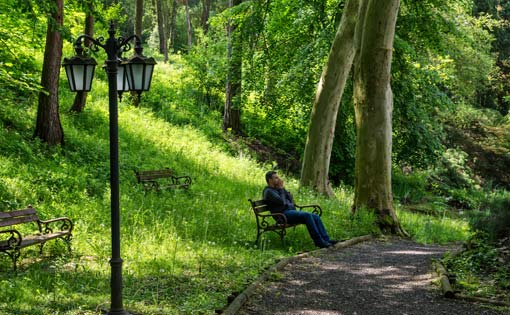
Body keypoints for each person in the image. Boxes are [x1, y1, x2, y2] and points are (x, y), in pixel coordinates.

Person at [263, 171, 338, 248]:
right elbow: (282, 202)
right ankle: (319, 242)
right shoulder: (269, 192)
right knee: (307, 215)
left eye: (278, 177)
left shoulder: (277, 189)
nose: (279, 179)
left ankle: (326, 239)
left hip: (289, 212)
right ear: (270, 180)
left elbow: (290, 199)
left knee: (316, 216)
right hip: (282, 216)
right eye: (276, 178)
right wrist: (282, 190)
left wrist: (283, 190)